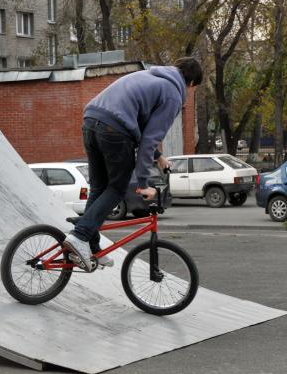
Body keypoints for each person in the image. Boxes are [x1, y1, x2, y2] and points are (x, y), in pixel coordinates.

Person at [62, 58, 203, 271]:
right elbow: (148, 139)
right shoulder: (173, 93)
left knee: (99, 188)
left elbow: (137, 126)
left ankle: (91, 247)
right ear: (191, 84)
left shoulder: (151, 76)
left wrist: (158, 156)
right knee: (117, 189)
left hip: (91, 122)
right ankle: (80, 236)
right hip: (114, 131)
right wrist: (143, 182)